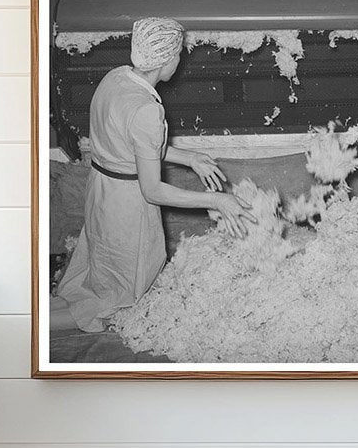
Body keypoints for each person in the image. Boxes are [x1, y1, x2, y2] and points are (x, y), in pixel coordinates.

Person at [52, 17, 256, 333]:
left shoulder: (116, 78)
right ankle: (36, 324)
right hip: (126, 205)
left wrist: (189, 158)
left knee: (98, 276)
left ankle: (50, 308)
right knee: (118, 296)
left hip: (102, 189)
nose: (180, 59)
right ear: (166, 59)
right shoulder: (147, 109)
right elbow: (153, 191)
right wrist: (217, 200)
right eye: (179, 53)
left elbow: (130, 144)